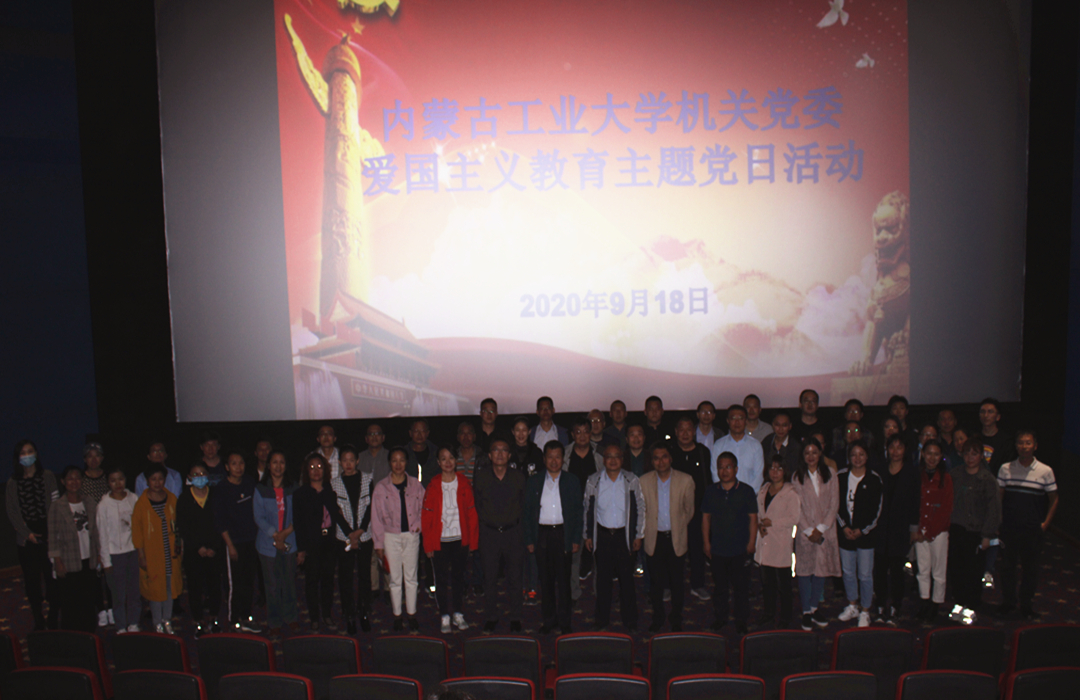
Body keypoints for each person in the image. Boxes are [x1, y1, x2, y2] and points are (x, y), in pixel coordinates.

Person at [997, 430, 1058, 619]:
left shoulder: (1045, 471)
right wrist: (999, 520)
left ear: (1035, 446)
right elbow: (999, 496)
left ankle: (1026, 605)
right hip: (1009, 527)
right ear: (1016, 446)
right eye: (1020, 443)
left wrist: (1046, 523)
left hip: (1032, 529)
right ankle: (1008, 602)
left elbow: (1054, 499)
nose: (1024, 446)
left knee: (1030, 569)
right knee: (1007, 567)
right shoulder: (1005, 468)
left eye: (1028, 443)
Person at [523, 441, 583, 634]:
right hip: (542, 535)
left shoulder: (572, 481)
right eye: (550, 457)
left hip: (563, 534)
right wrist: (529, 539)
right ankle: (549, 621)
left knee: (564, 581)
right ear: (544, 459)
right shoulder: (534, 481)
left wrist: (576, 538)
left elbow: (578, 512)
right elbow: (527, 512)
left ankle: (565, 622)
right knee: (546, 581)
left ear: (563, 458)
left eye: (558, 456)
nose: (554, 461)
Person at [583, 445, 645, 632]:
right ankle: (601, 619)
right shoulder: (593, 481)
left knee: (627, 580)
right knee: (603, 581)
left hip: (624, 536)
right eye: (608, 456)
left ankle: (630, 619)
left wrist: (638, 534)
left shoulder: (631, 480)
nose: (612, 460)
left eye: (616, 456)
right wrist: (587, 535)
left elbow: (641, 508)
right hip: (602, 536)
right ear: (603, 460)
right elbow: (587, 509)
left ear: (622, 459)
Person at [422, 446, 479, 634]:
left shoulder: (464, 483)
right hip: (440, 541)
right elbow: (426, 518)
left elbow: (471, 514)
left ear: (456, 460)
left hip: (460, 540)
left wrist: (473, 541)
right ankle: (444, 615)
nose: (448, 462)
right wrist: (428, 544)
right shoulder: (433, 485)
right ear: (438, 463)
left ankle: (458, 613)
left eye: (451, 458)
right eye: (443, 458)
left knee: (458, 578)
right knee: (440, 580)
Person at [294, 453, 353, 632]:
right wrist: (301, 549)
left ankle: (327, 615)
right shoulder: (301, 494)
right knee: (311, 581)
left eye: (319, 467)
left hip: (329, 541)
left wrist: (351, 534)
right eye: (312, 467)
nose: (316, 471)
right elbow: (298, 523)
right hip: (312, 542)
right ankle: (314, 617)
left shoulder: (330, 490)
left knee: (328, 580)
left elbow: (337, 515)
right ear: (306, 471)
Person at [473, 438, 527, 632]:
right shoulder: (481, 477)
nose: (500, 453)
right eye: (496, 450)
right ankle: (491, 616)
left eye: (504, 450)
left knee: (515, 578)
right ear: (489, 455)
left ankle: (515, 616)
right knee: (490, 578)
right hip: (489, 534)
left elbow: (524, 505)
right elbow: (477, 504)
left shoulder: (518, 477)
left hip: (513, 533)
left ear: (509, 455)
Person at [640, 443, 695, 632]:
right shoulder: (643, 481)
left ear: (670, 459)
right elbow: (642, 511)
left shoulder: (686, 480)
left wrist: (678, 526)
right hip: (654, 539)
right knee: (656, 583)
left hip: (676, 538)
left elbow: (689, 510)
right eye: (656, 458)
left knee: (677, 582)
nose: (660, 461)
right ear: (652, 461)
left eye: (664, 457)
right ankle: (658, 617)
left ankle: (676, 617)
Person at [701, 452, 758, 634]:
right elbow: (705, 518)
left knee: (741, 588)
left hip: (740, 548)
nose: (724, 471)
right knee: (720, 588)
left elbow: (753, 519)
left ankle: (741, 620)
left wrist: (752, 543)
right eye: (720, 467)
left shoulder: (747, 491)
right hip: (718, 549)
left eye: (728, 467)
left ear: (736, 469)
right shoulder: (711, 491)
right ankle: (721, 618)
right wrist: (706, 543)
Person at [948, 436, 1001, 624]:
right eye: (967, 454)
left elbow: (994, 510)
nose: (970, 458)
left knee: (973, 572)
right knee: (956, 569)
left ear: (981, 456)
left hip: (976, 532)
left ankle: (971, 607)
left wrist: (987, 535)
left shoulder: (987, 479)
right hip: (956, 529)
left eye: (974, 454)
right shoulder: (955, 474)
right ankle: (958, 603)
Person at [7, 440, 59, 630]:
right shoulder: (13, 482)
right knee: (31, 581)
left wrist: (51, 531)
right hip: (27, 539)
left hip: (49, 535)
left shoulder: (48, 476)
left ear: (36, 453)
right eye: (23, 453)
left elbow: (55, 504)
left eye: (30, 451)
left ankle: (53, 616)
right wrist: (27, 534)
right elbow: (12, 512)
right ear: (18, 457)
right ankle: (38, 618)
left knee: (52, 579)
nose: (27, 455)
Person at [372, 446, 425, 631]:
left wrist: (419, 525)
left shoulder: (416, 484)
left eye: (401, 460)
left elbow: (425, 508)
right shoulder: (381, 487)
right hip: (390, 537)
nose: (398, 464)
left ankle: (411, 614)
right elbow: (376, 518)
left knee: (411, 578)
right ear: (389, 463)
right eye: (394, 460)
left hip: (411, 536)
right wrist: (378, 544)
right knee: (394, 579)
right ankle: (397, 615)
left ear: (406, 462)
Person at [792, 438, 841, 630]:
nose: (811, 456)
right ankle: (806, 611)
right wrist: (808, 530)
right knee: (804, 571)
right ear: (802, 456)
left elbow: (834, 503)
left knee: (821, 570)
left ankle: (814, 608)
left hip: (825, 530)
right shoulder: (797, 476)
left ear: (820, 453)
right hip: (805, 531)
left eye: (814, 452)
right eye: (807, 453)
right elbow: (797, 507)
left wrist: (821, 529)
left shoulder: (831, 473)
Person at [871, 434, 918, 624]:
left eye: (899, 447)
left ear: (905, 450)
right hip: (881, 528)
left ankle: (896, 606)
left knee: (898, 571)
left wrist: (913, 528)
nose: (895, 452)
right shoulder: (879, 470)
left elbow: (915, 502)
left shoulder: (912, 472)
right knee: (879, 570)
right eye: (892, 447)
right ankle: (880, 604)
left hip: (901, 528)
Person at [835, 441, 883, 628]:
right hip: (845, 533)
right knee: (848, 573)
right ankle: (852, 604)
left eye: (861, 454)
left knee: (865, 574)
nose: (857, 458)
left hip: (866, 536)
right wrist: (844, 527)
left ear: (867, 456)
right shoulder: (840, 476)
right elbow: (835, 504)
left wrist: (862, 530)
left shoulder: (874, 479)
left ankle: (865, 610)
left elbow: (877, 510)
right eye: (854, 454)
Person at [48, 466, 100, 632]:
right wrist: (57, 561)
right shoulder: (57, 506)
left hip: (89, 559)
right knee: (70, 603)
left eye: (77, 478)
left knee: (88, 600)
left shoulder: (89, 502)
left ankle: (90, 634)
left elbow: (96, 531)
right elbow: (52, 537)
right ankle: (72, 637)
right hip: (69, 561)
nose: (74, 482)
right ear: (63, 482)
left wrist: (99, 554)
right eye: (70, 479)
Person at [132, 463, 182, 634]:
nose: (157, 482)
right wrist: (141, 555)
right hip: (152, 554)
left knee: (169, 587)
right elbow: (137, 531)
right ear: (147, 481)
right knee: (155, 589)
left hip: (170, 552)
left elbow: (178, 525)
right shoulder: (141, 503)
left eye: (160, 479)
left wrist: (179, 546)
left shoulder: (172, 499)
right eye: (153, 479)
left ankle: (167, 620)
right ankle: (157, 622)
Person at [214, 450, 261, 632]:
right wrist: (230, 546)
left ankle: (246, 616)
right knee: (234, 583)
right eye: (234, 463)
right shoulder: (222, 489)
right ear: (227, 467)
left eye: (241, 463)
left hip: (251, 540)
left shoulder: (249, 482)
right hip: (233, 543)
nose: (238, 467)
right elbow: (220, 522)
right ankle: (234, 620)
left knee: (249, 581)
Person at [254, 450, 299, 633]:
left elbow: (299, 514)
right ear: (268, 465)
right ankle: (274, 621)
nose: (278, 466)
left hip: (290, 541)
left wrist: (286, 533)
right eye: (274, 462)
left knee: (289, 583)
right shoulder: (260, 489)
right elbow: (259, 517)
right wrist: (275, 535)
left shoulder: (294, 487)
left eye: (282, 462)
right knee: (272, 585)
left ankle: (291, 616)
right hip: (267, 545)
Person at [176, 464, 224, 636]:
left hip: (214, 550)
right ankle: (198, 622)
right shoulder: (184, 499)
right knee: (195, 588)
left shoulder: (216, 496)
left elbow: (221, 522)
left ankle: (214, 619)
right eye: (195, 474)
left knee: (214, 586)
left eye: (203, 473)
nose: (200, 477)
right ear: (189, 478)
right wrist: (198, 547)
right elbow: (183, 527)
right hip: (193, 552)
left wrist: (213, 547)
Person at [332, 444, 374, 633]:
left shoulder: (367, 479)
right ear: (340, 462)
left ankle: (364, 611)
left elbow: (371, 507)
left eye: (351, 460)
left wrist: (360, 531)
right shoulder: (334, 483)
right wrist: (350, 533)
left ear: (357, 461)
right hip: (344, 536)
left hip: (365, 535)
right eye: (344, 460)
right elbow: (335, 512)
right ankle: (349, 613)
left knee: (364, 575)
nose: (348, 464)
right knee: (346, 576)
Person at [756, 455, 800, 629]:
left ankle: (785, 617)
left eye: (779, 468)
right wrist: (760, 525)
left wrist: (773, 523)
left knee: (784, 586)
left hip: (781, 544)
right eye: (772, 468)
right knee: (767, 584)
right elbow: (759, 513)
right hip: (765, 542)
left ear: (785, 471)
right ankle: (769, 613)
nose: (775, 472)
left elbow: (794, 518)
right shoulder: (764, 489)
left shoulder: (791, 493)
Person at [671, 417, 712, 602]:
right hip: (675, 509)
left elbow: (707, 480)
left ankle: (698, 585)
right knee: (674, 550)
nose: (685, 433)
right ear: (676, 432)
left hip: (698, 509)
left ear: (694, 432)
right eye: (682, 429)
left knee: (697, 549)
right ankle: (671, 585)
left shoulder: (703, 452)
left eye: (689, 429)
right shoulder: (670, 452)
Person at [913, 439, 952, 622]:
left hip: (939, 532)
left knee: (938, 571)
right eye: (929, 453)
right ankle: (924, 601)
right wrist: (919, 530)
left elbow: (946, 508)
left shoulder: (946, 478)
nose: (932, 458)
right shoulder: (917, 476)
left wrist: (930, 531)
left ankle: (936, 604)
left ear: (941, 456)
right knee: (923, 569)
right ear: (923, 454)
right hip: (920, 531)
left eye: (936, 454)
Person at [97, 465, 140, 634]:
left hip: (133, 552)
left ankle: (134, 623)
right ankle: (121, 626)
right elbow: (102, 534)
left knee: (134, 592)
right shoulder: (104, 505)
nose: (118, 484)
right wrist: (106, 561)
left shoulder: (133, 499)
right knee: (118, 594)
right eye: (113, 481)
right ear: (108, 483)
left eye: (120, 479)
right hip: (115, 555)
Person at [564, 419, 603, 600]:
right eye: (578, 432)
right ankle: (573, 593)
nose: (582, 436)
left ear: (591, 433)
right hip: (572, 513)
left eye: (586, 431)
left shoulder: (600, 454)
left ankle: (600, 592)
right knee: (573, 556)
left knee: (600, 556)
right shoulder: (565, 454)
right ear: (572, 434)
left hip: (596, 512)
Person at [713, 404, 766, 493]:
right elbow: (715, 473)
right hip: (724, 495)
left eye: (741, 418)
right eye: (733, 418)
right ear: (728, 421)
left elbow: (759, 475)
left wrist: (748, 494)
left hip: (749, 496)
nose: (737, 422)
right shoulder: (718, 445)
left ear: (746, 421)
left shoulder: (755, 445)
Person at [978, 398, 1014, 473]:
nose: (986, 415)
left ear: (998, 417)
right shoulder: (974, 438)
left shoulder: (1006, 441)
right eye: (983, 412)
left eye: (990, 412)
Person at [763, 411, 799, 476]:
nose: (780, 429)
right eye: (777, 425)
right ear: (773, 425)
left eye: (784, 425)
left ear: (790, 426)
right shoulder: (766, 443)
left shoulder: (796, 447)